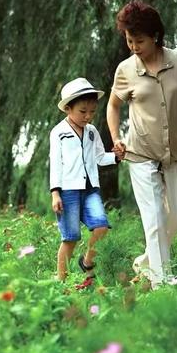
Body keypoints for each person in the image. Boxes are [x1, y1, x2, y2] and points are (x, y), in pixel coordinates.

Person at [106, 0, 177, 288]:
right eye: (129, 41)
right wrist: (116, 137)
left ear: (155, 35)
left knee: (176, 217)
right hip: (140, 152)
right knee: (153, 219)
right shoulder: (126, 70)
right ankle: (161, 283)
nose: (133, 47)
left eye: (139, 40)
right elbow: (113, 105)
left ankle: (145, 264)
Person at [50, 78, 121, 287]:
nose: (88, 116)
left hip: (91, 189)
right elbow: (55, 164)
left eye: (92, 111)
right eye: (83, 112)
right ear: (68, 109)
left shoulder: (92, 131)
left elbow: (100, 157)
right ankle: (60, 283)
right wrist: (55, 193)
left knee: (101, 227)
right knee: (70, 238)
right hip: (67, 191)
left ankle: (87, 261)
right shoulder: (58, 133)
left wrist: (116, 157)